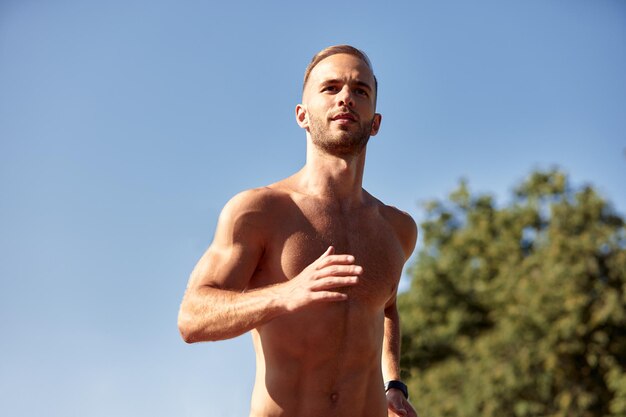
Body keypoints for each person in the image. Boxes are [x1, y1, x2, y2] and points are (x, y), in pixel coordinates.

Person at [178, 45, 419, 417]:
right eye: (331, 88)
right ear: (302, 116)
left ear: (375, 122)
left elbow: (386, 306)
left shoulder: (396, 230)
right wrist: (286, 294)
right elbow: (192, 318)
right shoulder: (261, 211)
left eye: (360, 91)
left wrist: (394, 385)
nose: (346, 98)